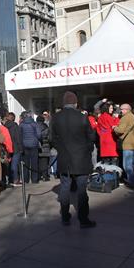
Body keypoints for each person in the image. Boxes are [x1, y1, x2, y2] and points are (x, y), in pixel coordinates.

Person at [49, 91, 97, 228]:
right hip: (81, 158)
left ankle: (65, 217)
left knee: (65, 188)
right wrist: (87, 150)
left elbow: (51, 138)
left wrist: (61, 149)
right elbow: (91, 137)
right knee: (82, 190)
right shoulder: (82, 117)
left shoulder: (56, 118)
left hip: (65, 158)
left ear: (64, 103)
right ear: (75, 103)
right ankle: (83, 219)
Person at [114, 103, 134, 188]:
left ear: (126, 109)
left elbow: (121, 130)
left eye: (122, 109)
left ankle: (132, 182)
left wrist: (114, 128)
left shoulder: (125, 118)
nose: (121, 111)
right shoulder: (133, 116)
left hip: (128, 144)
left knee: (127, 165)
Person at [19, 111, 43, 184]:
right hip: (34, 145)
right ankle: (34, 179)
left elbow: (19, 136)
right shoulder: (35, 124)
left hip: (24, 145)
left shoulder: (21, 125)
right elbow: (39, 135)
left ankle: (26, 179)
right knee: (34, 163)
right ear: (30, 116)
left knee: (25, 163)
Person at [96, 101, 119, 165]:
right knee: (113, 164)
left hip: (103, 141)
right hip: (111, 141)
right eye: (111, 108)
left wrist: (102, 134)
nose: (112, 110)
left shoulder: (100, 117)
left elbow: (98, 128)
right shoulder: (108, 117)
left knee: (105, 164)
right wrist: (117, 118)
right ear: (107, 108)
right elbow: (115, 126)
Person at [4, 112, 24, 186]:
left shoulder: (4, 126)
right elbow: (18, 137)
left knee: (9, 164)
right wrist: (21, 148)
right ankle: (15, 179)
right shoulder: (15, 126)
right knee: (15, 164)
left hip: (7, 148)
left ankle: (10, 179)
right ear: (13, 118)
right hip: (15, 147)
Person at [36, 115, 51, 182]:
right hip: (46, 146)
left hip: (37, 146)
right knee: (45, 162)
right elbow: (49, 138)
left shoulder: (34, 127)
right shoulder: (46, 127)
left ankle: (38, 176)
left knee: (37, 162)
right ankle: (45, 176)